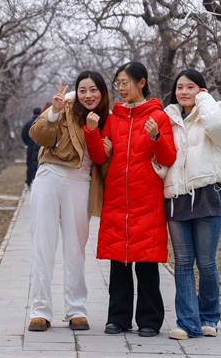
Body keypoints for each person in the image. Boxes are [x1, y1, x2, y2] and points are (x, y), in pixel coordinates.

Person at [84, 62, 176, 337]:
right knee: (118, 262)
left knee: (146, 262)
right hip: (116, 198)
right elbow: (100, 158)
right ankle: (119, 318)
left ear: (142, 82)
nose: (121, 88)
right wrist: (92, 133)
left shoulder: (158, 117)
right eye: (118, 84)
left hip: (146, 199)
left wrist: (156, 137)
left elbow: (168, 157)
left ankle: (150, 321)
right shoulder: (113, 119)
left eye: (126, 82)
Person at [26, 72, 111, 332]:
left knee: (77, 248)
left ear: (102, 93)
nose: (88, 95)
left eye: (93, 90)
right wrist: (53, 111)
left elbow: (101, 156)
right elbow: (39, 137)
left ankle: (76, 309)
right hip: (49, 176)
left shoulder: (108, 118)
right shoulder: (64, 107)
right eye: (83, 90)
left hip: (81, 182)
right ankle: (40, 310)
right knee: (43, 244)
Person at [163, 69, 221, 340]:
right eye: (179, 87)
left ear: (201, 91)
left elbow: (218, 129)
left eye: (190, 87)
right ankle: (187, 323)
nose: (183, 92)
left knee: (205, 263)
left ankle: (209, 318)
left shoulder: (214, 116)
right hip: (177, 198)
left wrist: (205, 101)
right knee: (182, 263)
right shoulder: (168, 118)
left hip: (208, 195)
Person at [21, 107, 42, 187]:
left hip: (31, 147)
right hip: (41, 147)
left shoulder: (28, 123)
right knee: (39, 164)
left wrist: (28, 143)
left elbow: (23, 135)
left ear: (33, 113)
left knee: (30, 164)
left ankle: (29, 181)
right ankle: (38, 181)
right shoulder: (42, 123)